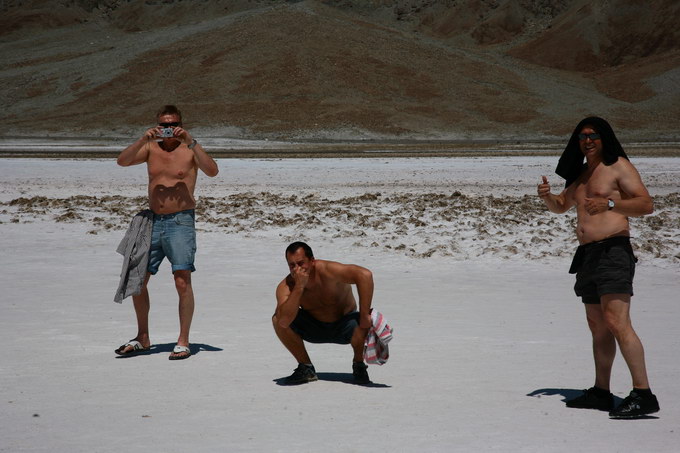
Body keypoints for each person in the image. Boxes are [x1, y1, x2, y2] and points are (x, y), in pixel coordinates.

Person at [537, 116, 659, 418]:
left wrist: (612, 205)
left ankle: (643, 394)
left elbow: (646, 204)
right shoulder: (580, 176)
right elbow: (561, 206)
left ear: (604, 138)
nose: (587, 141)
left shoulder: (618, 167)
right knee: (598, 326)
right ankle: (602, 392)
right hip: (587, 256)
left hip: (613, 252)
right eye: (582, 136)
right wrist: (547, 198)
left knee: (617, 322)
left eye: (593, 135)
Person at [115, 105, 219, 360]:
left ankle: (183, 340)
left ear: (180, 125)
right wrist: (143, 138)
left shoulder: (189, 149)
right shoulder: (151, 148)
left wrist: (192, 141)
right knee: (138, 280)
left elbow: (212, 170)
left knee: (181, 280)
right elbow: (122, 161)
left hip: (180, 221)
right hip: (152, 222)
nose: (167, 129)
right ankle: (143, 337)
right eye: (163, 124)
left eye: (171, 124)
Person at [273, 242, 374, 384]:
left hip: (346, 325)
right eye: (292, 265)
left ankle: (358, 364)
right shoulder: (286, 285)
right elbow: (283, 322)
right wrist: (299, 287)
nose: (297, 269)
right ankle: (306, 367)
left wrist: (364, 316)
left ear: (312, 261)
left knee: (365, 318)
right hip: (314, 328)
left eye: (301, 263)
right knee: (277, 318)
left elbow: (365, 275)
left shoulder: (329, 271)